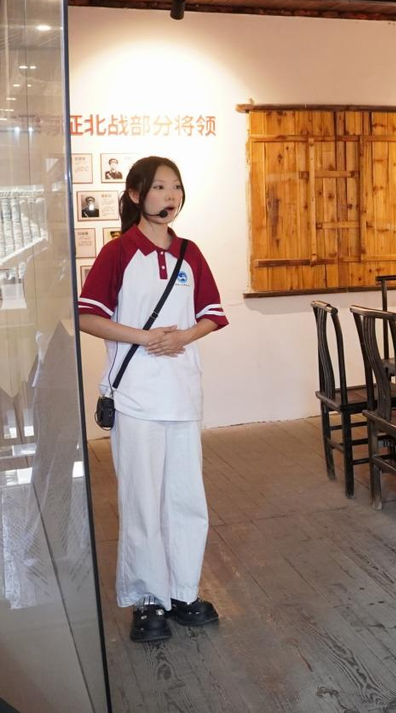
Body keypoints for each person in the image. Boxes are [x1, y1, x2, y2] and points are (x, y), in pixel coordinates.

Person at [78, 156, 227, 644]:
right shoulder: (119, 252)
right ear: (136, 194)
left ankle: (183, 591)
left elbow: (212, 314)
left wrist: (183, 336)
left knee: (186, 498)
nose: (171, 196)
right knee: (142, 500)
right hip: (136, 397)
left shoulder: (190, 252)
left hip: (182, 394)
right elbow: (87, 315)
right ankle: (148, 599)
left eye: (176, 187)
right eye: (160, 187)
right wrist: (144, 337)